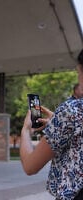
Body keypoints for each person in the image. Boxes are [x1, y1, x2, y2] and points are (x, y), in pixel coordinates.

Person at [20, 53, 83, 199]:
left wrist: (26, 131)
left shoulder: (71, 111)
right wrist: (58, 124)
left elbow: (30, 166)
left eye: (78, 72)